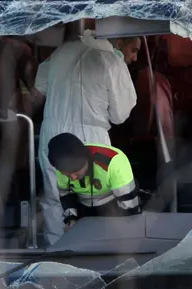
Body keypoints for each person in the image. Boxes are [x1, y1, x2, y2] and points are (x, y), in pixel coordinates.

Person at [29, 27, 140, 245]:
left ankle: (57, 258)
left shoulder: (60, 52)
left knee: (55, 198)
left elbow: (39, 87)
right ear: (118, 43)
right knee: (96, 198)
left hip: (52, 132)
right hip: (90, 136)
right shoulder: (110, 59)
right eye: (132, 50)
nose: (134, 58)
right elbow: (120, 115)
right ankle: (93, 255)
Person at [47, 133, 141, 231]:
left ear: (87, 160)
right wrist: (71, 219)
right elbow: (66, 194)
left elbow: (130, 207)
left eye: (76, 172)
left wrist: (124, 228)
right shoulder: (61, 167)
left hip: (114, 205)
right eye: (67, 174)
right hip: (83, 206)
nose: (73, 178)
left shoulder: (114, 162)